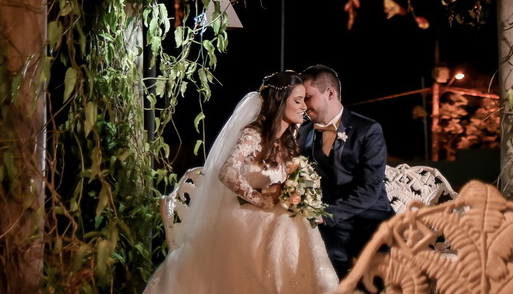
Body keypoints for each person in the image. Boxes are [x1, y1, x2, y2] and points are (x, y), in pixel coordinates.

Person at [144, 71, 339, 294]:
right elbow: (227, 172)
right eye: (297, 100)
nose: (304, 107)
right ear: (279, 101)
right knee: (281, 232)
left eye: (304, 100)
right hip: (246, 213)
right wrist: (259, 199)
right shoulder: (253, 134)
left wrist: (297, 192)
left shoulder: (289, 138)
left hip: (277, 213)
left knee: (297, 226)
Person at [298, 64, 395, 276]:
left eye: (308, 97)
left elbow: (370, 190)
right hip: (330, 226)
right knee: (323, 269)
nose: (304, 106)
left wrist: (327, 214)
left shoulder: (368, 130)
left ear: (330, 93)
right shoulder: (304, 133)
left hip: (371, 218)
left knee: (378, 274)